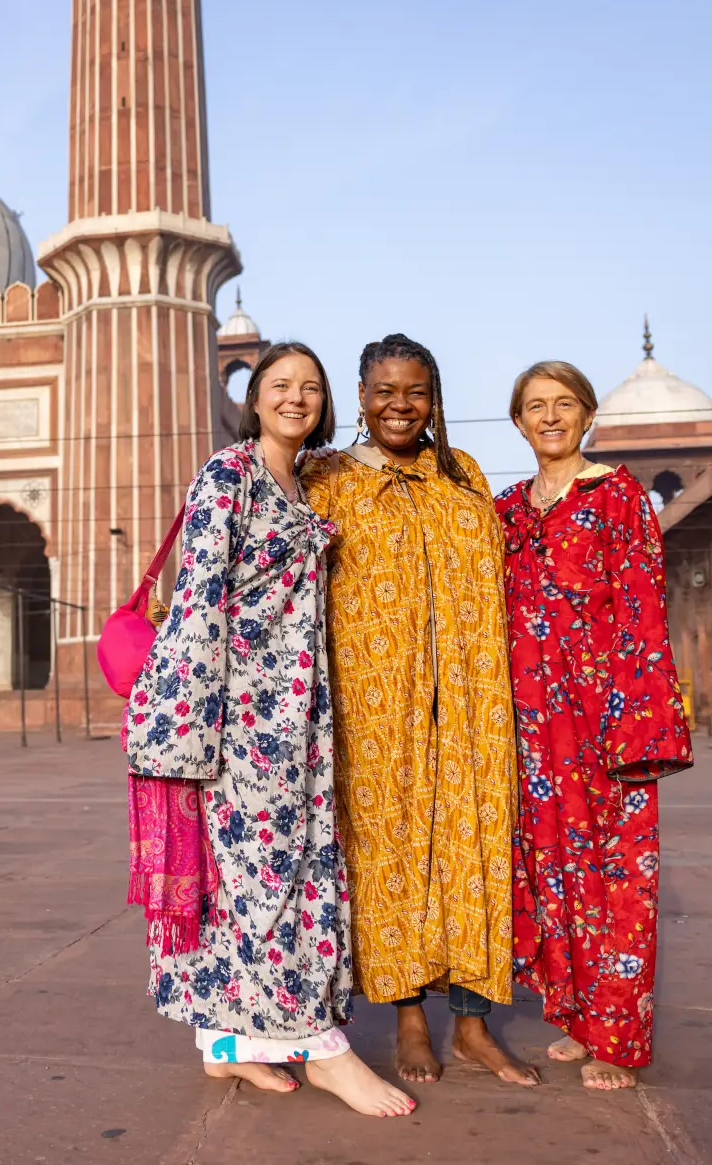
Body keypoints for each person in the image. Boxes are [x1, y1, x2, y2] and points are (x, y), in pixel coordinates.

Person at [123, 341, 415, 1119]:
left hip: (298, 715)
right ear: (252, 399)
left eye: (310, 387)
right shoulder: (230, 473)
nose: (296, 397)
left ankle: (227, 1043)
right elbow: (198, 599)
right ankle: (323, 1049)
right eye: (280, 384)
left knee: (259, 880)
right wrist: (194, 728)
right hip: (240, 720)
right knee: (273, 880)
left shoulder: (303, 481)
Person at [301, 334, 535, 1088]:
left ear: (433, 399)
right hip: (377, 703)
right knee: (391, 851)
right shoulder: (327, 477)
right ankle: (408, 1018)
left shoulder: (461, 474)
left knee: (475, 845)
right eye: (385, 391)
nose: (400, 406)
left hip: (470, 698)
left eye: (416, 392)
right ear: (361, 397)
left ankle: (472, 1024)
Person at [495, 360, 694, 1091]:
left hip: (606, 716)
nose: (550, 417)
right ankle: (580, 1017)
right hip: (532, 724)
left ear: (587, 415)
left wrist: (640, 723)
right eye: (535, 406)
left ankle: (619, 1038)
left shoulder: (617, 496)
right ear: (518, 421)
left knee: (619, 873)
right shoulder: (507, 510)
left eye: (564, 404)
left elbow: (643, 605)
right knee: (555, 870)